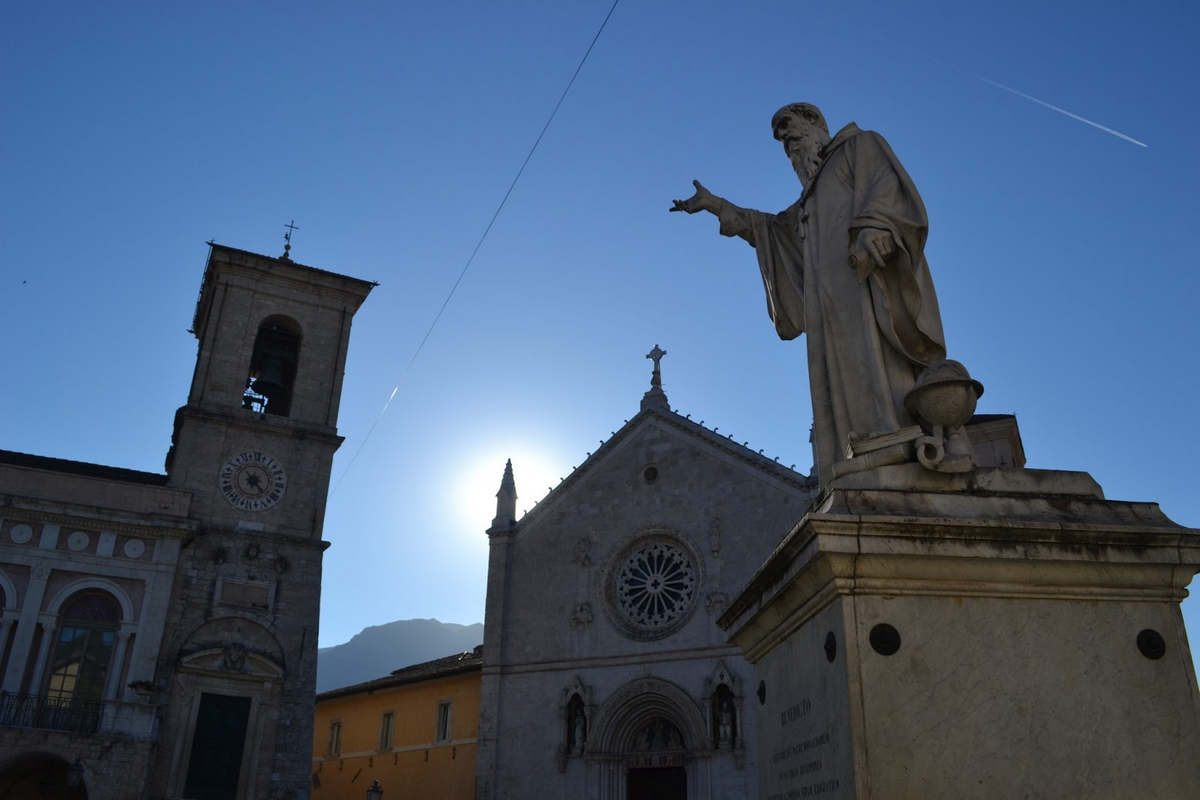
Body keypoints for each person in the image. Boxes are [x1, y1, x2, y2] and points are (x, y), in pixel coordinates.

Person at [671, 102, 946, 485]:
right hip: (827, 300)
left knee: (874, 352)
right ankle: (853, 448)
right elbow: (772, 230)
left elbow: (886, 186)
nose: (784, 138)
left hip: (864, 279)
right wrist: (716, 205)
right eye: (780, 138)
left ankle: (889, 436)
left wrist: (874, 227)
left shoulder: (859, 146)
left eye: (788, 127)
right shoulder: (809, 200)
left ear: (815, 122)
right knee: (836, 369)